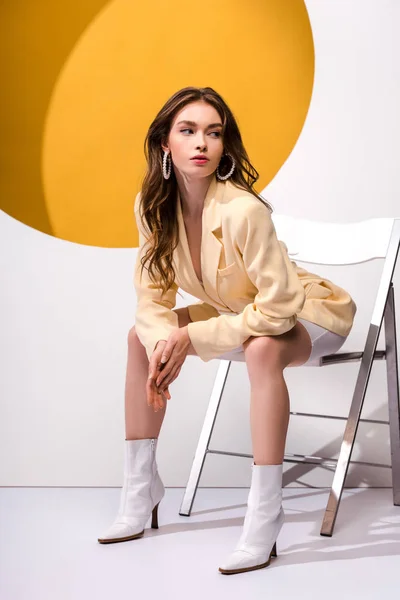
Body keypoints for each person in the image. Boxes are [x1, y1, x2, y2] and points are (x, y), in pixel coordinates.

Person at [97, 86, 357, 575]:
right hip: (242, 312)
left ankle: (264, 517)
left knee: (261, 349)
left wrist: (192, 339)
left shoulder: (243, 209)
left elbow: (279, 308)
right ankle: (139, 492)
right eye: (188, 131)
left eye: (213, 133)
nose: (202, 143)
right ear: (164, 146)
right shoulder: (152, 207)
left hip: (308, 313)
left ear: (224, 145)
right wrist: (162, 350)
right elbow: (152, 300)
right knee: (139, 337)